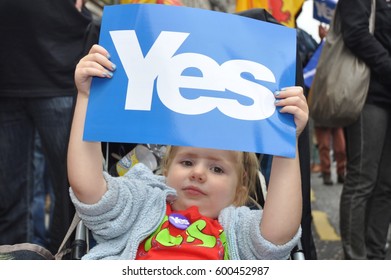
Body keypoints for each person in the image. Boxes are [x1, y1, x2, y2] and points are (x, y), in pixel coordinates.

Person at [66, 44, 309, 259]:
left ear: (241, 188)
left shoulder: (240, 229)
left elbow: (278, 234)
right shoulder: (143, 203)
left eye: (217, 168)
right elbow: (87, 188)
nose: (198, 173)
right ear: (167, 167)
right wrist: (88, 98)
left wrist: (285, 140)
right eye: (187, 162)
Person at [0, 0, 95, 254]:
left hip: (59, 62)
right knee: (8, 192)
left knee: (71, 189)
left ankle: (60, 259)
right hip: (8, 70)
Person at [338, 0, 391, 260]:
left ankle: (376, 255)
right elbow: (355, 32)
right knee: (362, 181)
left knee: (387, 184)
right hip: (368, 95)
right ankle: (355, 261)